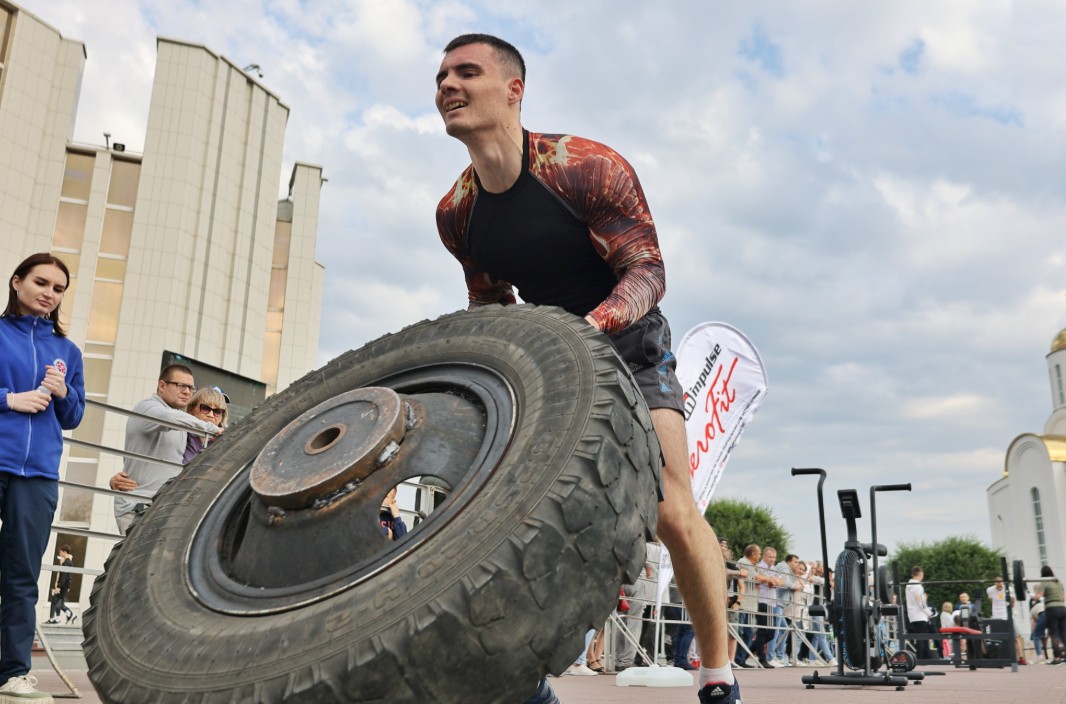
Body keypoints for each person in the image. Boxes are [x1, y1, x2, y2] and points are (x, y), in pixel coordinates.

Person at [433, 33, 739, 704]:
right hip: (552, 360)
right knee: (513, 513)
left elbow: (647, 272)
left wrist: (588, 328)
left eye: (467, 72)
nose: (447, 85)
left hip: (629, 343)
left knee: (670, 509)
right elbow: (489, 304)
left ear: (514, 90)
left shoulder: (585, 167)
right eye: (442, 76)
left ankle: (717, 676)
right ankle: (524, 677)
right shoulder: (458, 215)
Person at [0, 252, 85, 698]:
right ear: (17, 282)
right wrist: (9, 399)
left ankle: (13, 673)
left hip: (37, 476)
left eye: (57, 288)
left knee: (21, 575)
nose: (49, 293)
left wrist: (63, 390)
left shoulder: (67, 351)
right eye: (41, 283)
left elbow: (73, 416)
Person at [110, 364, 221, 534]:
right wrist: (212, 429)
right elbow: (167, 417)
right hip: (137, 507)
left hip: (163, 509)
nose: (187, 392)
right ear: (162, 386)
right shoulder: (147, 407)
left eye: (191, 388)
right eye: (181, 386)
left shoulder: (184, 426)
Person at [181, 386, 228, 464]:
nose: (210, 415)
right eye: (205, 408)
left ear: (222, 417)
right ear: (190, 409)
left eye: (217, 411)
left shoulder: (224, 444)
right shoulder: (179, 433)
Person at [905, 566, 934, 660]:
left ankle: (926, 657)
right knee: (922, 638)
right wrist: (929, 613)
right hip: (920, 615)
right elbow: (921, 602)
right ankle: (921, 658)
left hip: (912, 615)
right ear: (921, 574)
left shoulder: (908, 586)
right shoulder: (918, 586)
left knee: (919, 637)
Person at [1039, 566, 1065, 665]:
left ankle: (1057, 657)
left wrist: (1032, 596)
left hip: (1051, 609)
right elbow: (1063, 598)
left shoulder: (1044, 583)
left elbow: (1038, 596)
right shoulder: (1058, 582)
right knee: (1063, 633)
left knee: (1053, 633)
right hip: (1062, 608)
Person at [46, 545, 76, 625]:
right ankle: (59, 618)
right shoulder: (67, 562)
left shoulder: (67, 562)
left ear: (65, 552)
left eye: (61, 552)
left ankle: (71, 614)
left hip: (63, 586)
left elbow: (64, 576)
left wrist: (59, 586)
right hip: (64, 585)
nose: (59, 553)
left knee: (58, 603)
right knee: (57, 601)